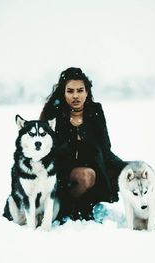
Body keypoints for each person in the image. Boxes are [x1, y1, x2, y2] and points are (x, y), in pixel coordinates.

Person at [40, 67, 127, 221]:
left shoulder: (95, 110)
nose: (75, 96)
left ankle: (93, 204)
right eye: (70, 91)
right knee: (86, 176)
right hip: (63, 170)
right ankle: (70, 208)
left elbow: (105, 146)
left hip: (95, 162)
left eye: (80, 90)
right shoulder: (53, 113)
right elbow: (47, 150)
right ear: (63, 92)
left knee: (132, 172)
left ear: (87, 91)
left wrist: (121, 168)